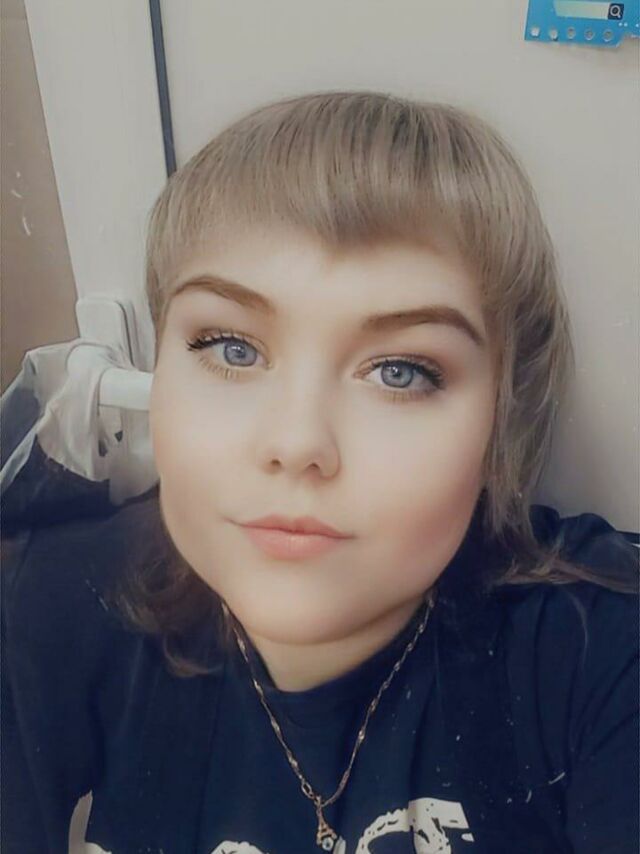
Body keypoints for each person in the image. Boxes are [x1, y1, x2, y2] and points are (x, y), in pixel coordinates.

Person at [2, 90, 638, 854]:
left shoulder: (600, 648)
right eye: (232, 348)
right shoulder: (57, 601)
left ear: (502, 419)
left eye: (401, 371)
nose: (296, 442)